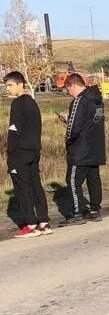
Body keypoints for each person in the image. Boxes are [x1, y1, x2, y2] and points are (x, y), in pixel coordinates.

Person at [4, 71, 51, 238]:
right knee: (36, 186)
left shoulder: (18, 103)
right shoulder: (32, 102)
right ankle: (44, 223)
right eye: (6, 85)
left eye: (9, 85)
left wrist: (10, 155)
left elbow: (14, 130)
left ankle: (31, 225)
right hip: (34, 151)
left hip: (20, 153)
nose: (7, 89)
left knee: (23, 188)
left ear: (20, 85)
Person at [59, 73, 106, 225]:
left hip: (81, 148)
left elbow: (74, 127)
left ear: (72, 85)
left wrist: (68, 140)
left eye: (67, 89)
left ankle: (77, 212)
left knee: (72, 180)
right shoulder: (97, 99)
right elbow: (91, 121)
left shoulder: (79, 101)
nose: (68, 93)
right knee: (93, 178)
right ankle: (95, 209)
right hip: (96, 146)